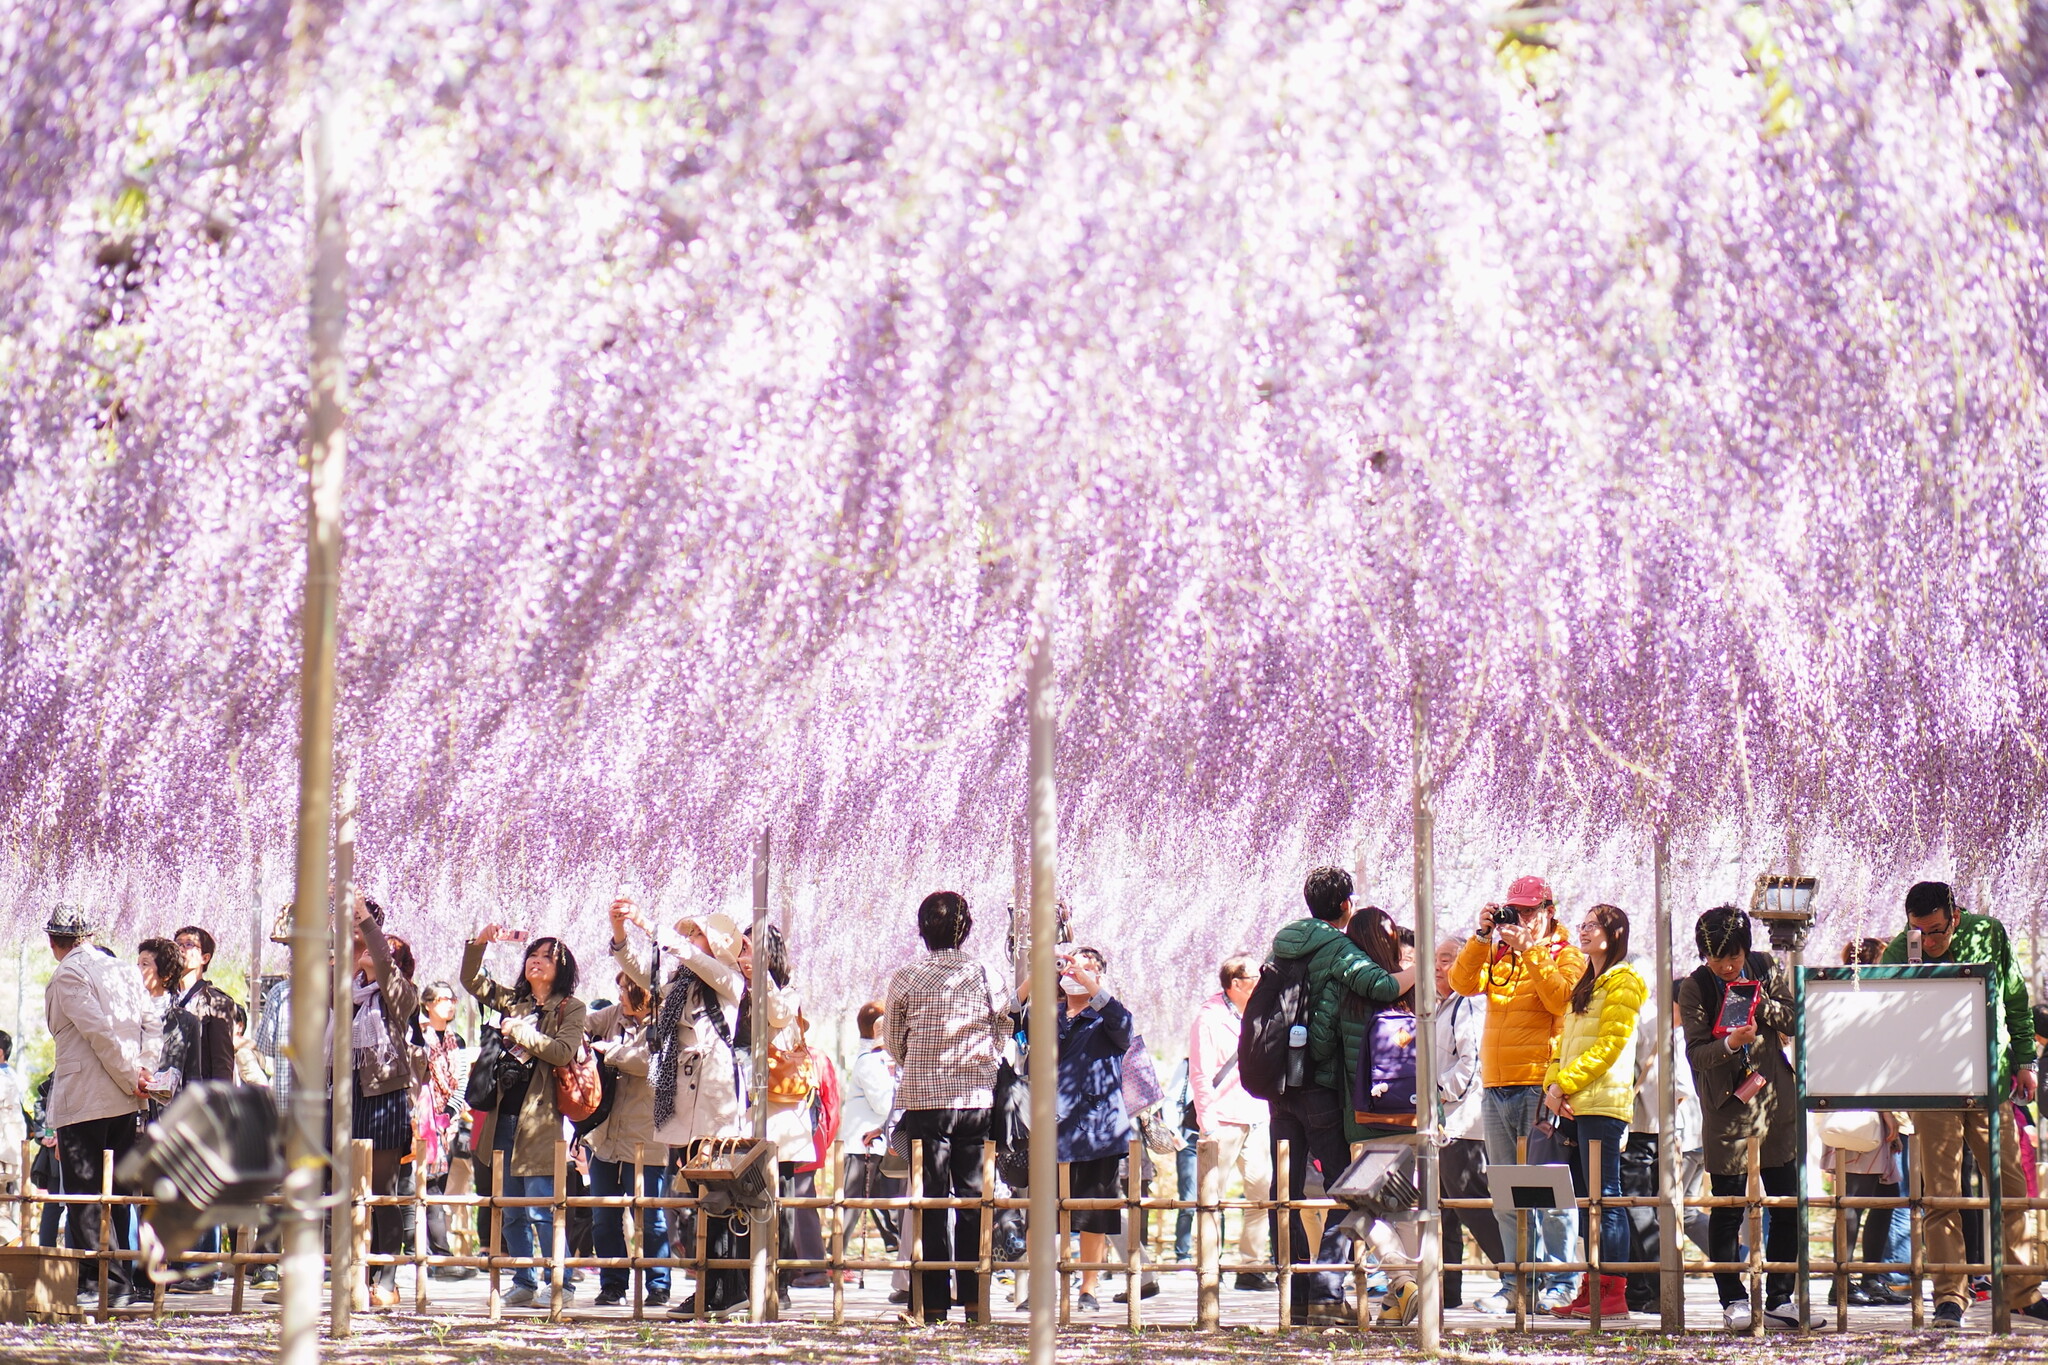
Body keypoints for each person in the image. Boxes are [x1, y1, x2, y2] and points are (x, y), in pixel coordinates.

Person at [1878, 881, 2048, 1327]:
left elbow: (2015, 999)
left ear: (1954, 915)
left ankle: (2022, 1290)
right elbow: (1883, 1019)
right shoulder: (1900, 949)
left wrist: (2025, 1059)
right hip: (1931, 1085)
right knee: (1941, 1194)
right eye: (1920, 931)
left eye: (1936, 930)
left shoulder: (1988, 932)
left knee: (2011, 1185)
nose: (1929, 941)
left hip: (1989, 1078)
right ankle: (1950, 1295)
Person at [1265, 867, 1413, 1323]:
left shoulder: (1283, 944)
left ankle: (1295, 1292)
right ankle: (1326, 1295)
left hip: (1279, 1084)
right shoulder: (1338, 947)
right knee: (1342, 1188)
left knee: (1284, 1190)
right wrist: (1418, 968)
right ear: (1347, 905)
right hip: (1319, 1084)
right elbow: (1384, 986)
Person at [1679, 904, 1822, 1330]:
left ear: (1747, 948)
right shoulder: (1695, 987)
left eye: (1733, 956)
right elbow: (1696, 1053)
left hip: (1775, 1102)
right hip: (1727, 1108)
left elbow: (1797, 1019)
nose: (1726, 966)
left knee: (1786, 1203)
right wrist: (1728, 1045)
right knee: (1727, 1208)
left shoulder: (1764, 967)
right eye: (1716, 958)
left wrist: (1758, 1007)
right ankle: (1733, 1300)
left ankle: (1781, 1298)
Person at [1448, 875, 1586, 1314]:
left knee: (1549, 1192)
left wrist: (1532, 951)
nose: (1522, 918)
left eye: (1530, 910)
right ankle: (1516, 1281)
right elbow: (1461, 983)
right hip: (1496, 1085)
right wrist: (1481, 936)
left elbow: (1560, 998)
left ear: (1549, 909)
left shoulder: (1568, 956)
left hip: (1538, 1086)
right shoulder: (1497, 953)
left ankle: (1561, 1281)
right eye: (1515, 910)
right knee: (1507, 1191)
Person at [609, 899, 749, 1319]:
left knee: (720, 1196)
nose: (689, 939)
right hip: (683, 1103)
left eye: (697, 933)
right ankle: (717, 1288)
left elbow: (684, 954)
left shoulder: (729, 979)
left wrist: (647, 923)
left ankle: (724, 1288)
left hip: (716, 1101)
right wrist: (619, 932)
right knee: (699, 1199)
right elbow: (640, 971)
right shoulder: (680, 986)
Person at [884, 890, 1009, 1324]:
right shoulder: (986, 974)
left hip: (923, 1099)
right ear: (967, 927)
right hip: (976, 1100)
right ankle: (975, 1302)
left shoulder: (906, 977)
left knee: (930, 1200)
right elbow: (1004, 1030)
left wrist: (919, 1058)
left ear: (922, 931)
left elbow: (893, 1043)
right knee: (974, 1200)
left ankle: (932, 1304)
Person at [463, 923, 588, 1309]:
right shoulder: (514, 1000)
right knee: (510, 1207)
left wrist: (519, 1031)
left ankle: (561, 1282)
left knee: (542, 1208)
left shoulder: (571, 1007)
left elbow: (563, 1052)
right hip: (504, 1116)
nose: (536, 961)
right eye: (533, 955)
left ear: (562, 969)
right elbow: (471, 980)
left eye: (547, 957)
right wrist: (479, 942)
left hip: (541, 1121)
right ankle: (523, 1280)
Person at [1542, 904, 1644, 1319]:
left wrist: (1564, 1084)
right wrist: (1552, 1084)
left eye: (1592, 926)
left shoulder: (1626, 980)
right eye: (1581, 925)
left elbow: (1610, 1046)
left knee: (1606, 1196)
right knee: (1589, 1199)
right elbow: (1563, 1043)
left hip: (1602, 1102)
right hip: (1576, 1102)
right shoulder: (1588, 981)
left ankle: (1612, 1292)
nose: (1583, 932)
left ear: (1615, 932)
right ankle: (1591, 1286)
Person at [1016, 945, 1131, 1312]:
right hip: (1050, 1126)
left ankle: (1089, 1287)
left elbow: (1125, 1028)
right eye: (1071, 968)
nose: (1076, 973)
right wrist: (1040, 972)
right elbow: (1008, 1014)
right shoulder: (1047, 1014)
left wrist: (1085, 979)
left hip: (1098, 1129)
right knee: (1041, 1211)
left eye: (1088, 968)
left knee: (1093, 1213)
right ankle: (1040, 1286)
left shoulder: (1107, 1016)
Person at [44, 904, 149, 1306]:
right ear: (87, 935)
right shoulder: (123, 969)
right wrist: (143, 1073)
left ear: (53, 941)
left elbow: (98, 1033)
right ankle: (121, 1280)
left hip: (85, 1099)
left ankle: (102, 1282)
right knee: (118, 1191)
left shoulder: (68, 973)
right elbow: (149, 1023)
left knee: (86, 1194)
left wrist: (130, 1076)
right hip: (125, 1100)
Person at [1324, 908, 1424, 1323]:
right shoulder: (1409, 987)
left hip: (1364, 1116)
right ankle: (1404, 1294)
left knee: (1363, 1207)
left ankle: (1400, 1280)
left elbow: (1323, 1050)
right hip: (1413, 1111)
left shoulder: (1349, 989)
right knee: (1407, 1207)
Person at [347, 900, 420, 1309]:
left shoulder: (400, 996)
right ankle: (356, 1273)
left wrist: (366, 921)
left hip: (386, 1099)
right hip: (347, 1097)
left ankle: (387, 1279)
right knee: (348, 1192)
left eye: (375, 948)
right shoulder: (348, 991)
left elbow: (382, 959)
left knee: (383, 1193)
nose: (364, 950)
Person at [583, 968, 669, 1307]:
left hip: (647, 1135)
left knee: (651, 1216)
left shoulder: (665, 1020)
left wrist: (609, 1051)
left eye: (624, 989)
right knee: (603, 1216)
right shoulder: (613, 1015)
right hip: (604, 1135)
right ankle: (612, 1284)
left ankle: (658, 1284)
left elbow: (653, 1063)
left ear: (642, 993)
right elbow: (580, 1025)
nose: (619, 995)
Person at [1187, 954, 1273, 1291]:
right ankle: (1209, 1265)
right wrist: (1206, 1123)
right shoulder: (1208, 1019)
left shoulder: (1259, 1011)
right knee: (1212, 1197)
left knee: (1260, 1193)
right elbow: (1201, 1073)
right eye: (1255, 977)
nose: (1262, 981)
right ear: (1236, 984)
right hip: (1221, 1119)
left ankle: (1251, 1267)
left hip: (1256, 1114)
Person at [1434, 935, 1504, 1310]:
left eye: (1447, 959)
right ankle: (1447, 1290)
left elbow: (1471, 1065)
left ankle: (1517, 1276)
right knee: (1444, 1208)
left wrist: (1434, 1091)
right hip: (1443, 1122)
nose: (1439, 968)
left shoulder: (1470, 1003)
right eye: (1436, 960)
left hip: (1464, 1121)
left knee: (1470, 1203)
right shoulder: (1441, 1006)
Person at [841, 1000, 908, 1302]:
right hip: (863, 1145)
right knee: (853, 1203)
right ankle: (838, 1260)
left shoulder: (884, 1060)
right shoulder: (869, 1061)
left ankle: (896, 1251)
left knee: (887, 1203)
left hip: (882, 1143)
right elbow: (884, 1103)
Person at [414, 982, 474, 1279]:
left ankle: (439, 1255)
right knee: (416, 1186)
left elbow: (461, 1082)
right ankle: (430, 1254)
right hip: (418, 1118)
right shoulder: (417, 1036)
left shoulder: (457, 1040)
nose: (450, 1004)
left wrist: (448, 1114)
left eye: (453, 999)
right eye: (443, 999)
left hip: (444, 1123)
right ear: (428, 1003)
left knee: (436, 1183)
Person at [171, 926, 238, 1086]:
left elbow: (222, 1061)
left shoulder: (215, 1002)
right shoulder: (164, 996)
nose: (181, 949)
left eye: (188, 944)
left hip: (198, 1091)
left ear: (205, 958)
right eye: (177, 944)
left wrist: (219, 1100)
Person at [0, 1031, 25, 1245]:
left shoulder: (4, 1077)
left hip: (4, 1150)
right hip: (8, 1149)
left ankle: (10, 1234)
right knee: (1, 1203)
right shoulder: (10, 1075)